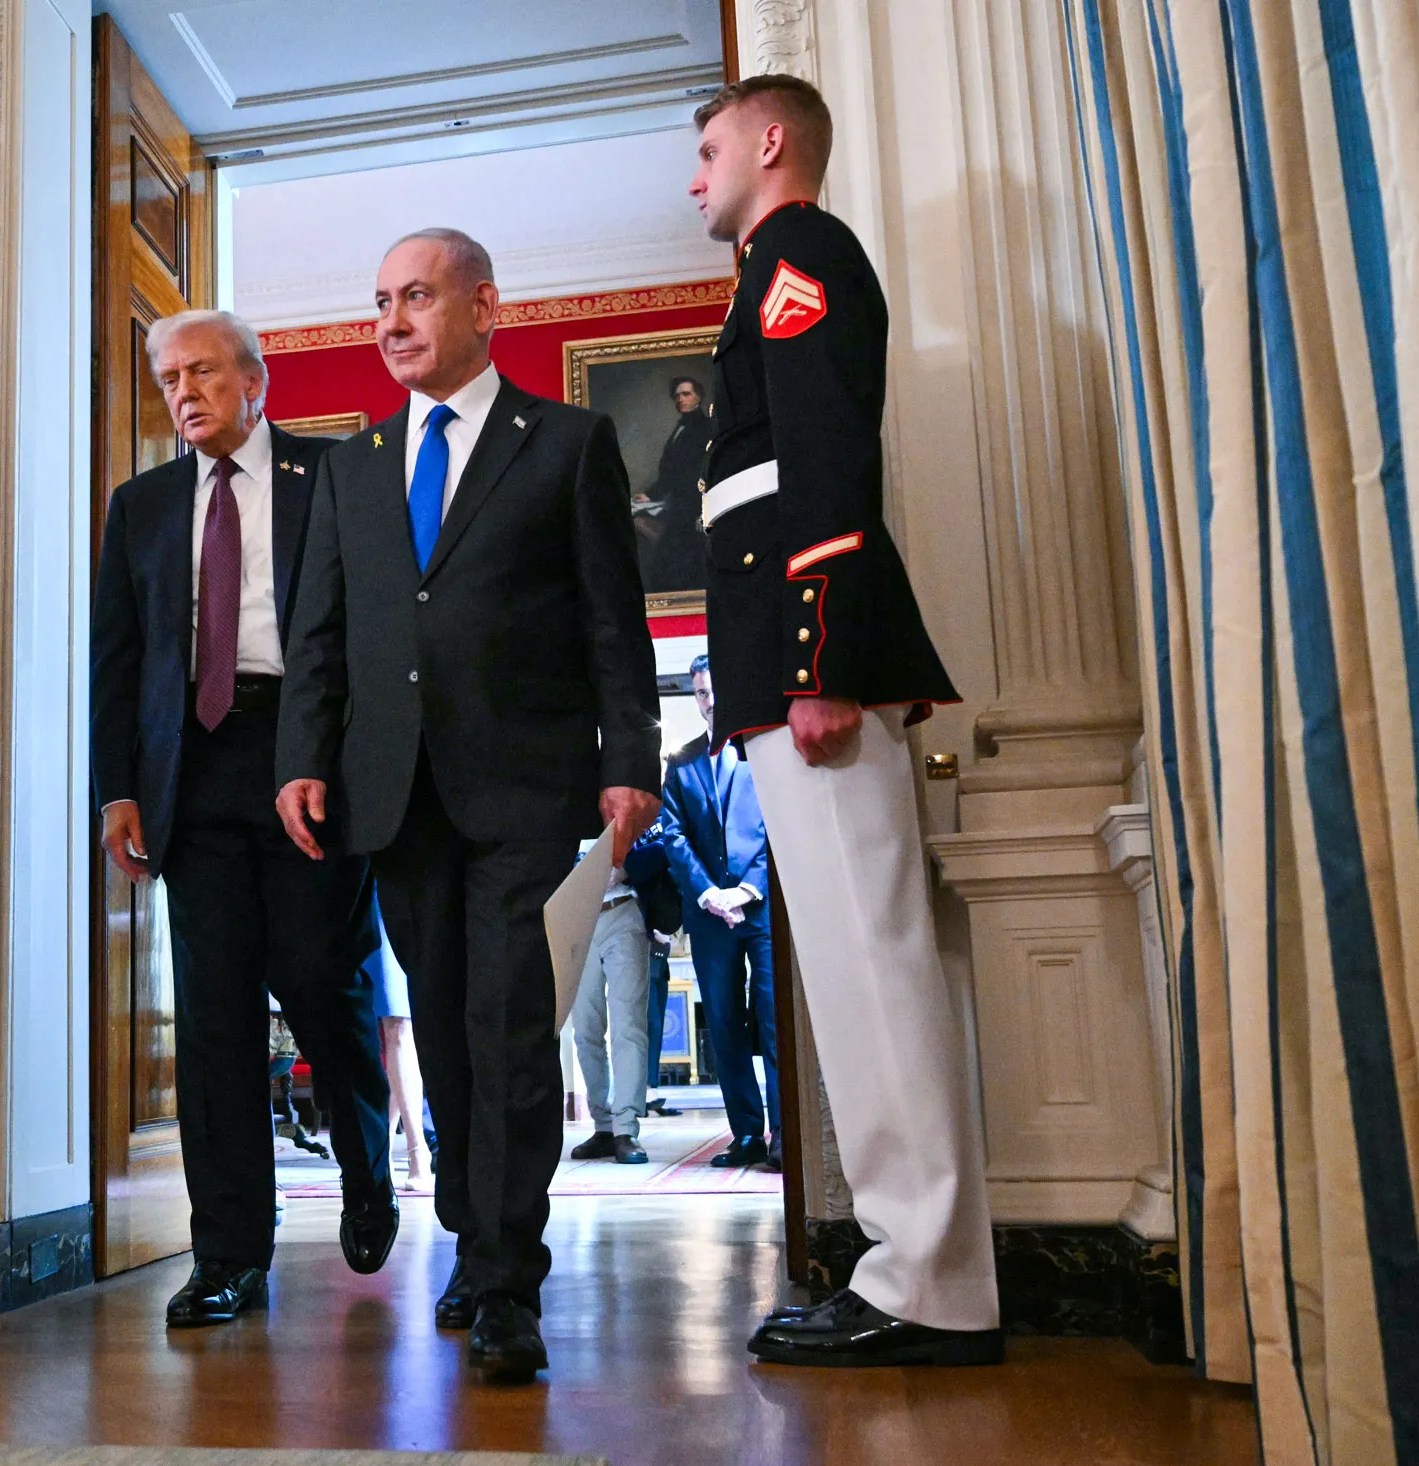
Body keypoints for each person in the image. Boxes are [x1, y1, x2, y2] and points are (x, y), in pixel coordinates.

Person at [276, 228, 662, 1381]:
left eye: (417, 297)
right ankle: (472, 1228)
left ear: (484, 307)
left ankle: (505, 1277)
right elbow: (320, 632)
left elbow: (613, 618)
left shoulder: (568, 443)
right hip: (393, 796)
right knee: (441, 1029)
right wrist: (303, 752)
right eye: (379, 301)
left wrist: (630, 756)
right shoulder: (352, 466)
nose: (391, 321)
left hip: (526, 788)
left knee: (506, 1029)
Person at [688, 74, 1001, 1367]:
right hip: (785, 671)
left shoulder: (800, 254)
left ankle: (925, 1280)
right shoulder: (770, 268)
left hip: (808, 668)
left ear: (771, 141)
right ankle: (919, 1269)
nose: (696, 176)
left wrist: (815, 661)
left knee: (876, 972)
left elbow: (824, 461)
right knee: (863, 972)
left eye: (708, 151)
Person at [91, 310, 397, 1330]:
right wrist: (118, 787)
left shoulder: (337, 473)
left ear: (255, 379)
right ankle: (228, 1252)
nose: (184, 390)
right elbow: (119, 663)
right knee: (215, 1020)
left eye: (204, 370)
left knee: (322, 980)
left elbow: (372, 628)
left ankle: (366, 1167)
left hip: (306, 757)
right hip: (194, 770)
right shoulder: (139, 507)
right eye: (169, 376)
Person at [660, 655, 779, 1169]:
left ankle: (784, 1136)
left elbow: (779, 826)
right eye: (702, 693)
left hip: (763, 909)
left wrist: (747, 890)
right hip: (709, 916)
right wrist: (709, 893)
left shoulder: (767, 751)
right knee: (725, 1025)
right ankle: (747, 1133)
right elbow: (672, 833)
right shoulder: (681, 762)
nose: (711, 702)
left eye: (716, 691)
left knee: (775, 1022)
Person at [566, 818, 682, 1166]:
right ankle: (603, 1126)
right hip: (576, 920)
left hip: (624, 914)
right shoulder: (561, 807)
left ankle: (626, 1128)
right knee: (585, 1029)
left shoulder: (628, 801)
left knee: (628, 1026)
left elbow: (665, 844)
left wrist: (624, 867)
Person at [359, 911, 431, 1184]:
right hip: (365, 894)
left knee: (399, 1022)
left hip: (406, 894)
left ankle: (414, 1147)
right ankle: (388, 1148)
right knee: (387, 1025)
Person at [637, 379, 713, 593]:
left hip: (693, 504)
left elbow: (700, 470)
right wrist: (651, 495)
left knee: (681, 558)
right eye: (677, 395)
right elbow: (670, 471)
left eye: (686, 394)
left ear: (699, 396)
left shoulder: (704, 427)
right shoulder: (681, 426)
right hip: (679, 502)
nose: (681, 399)